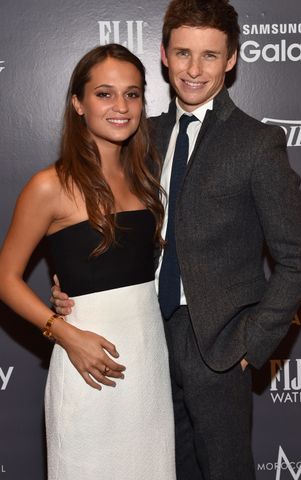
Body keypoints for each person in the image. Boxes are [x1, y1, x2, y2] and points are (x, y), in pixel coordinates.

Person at [51, 1, 301, 479]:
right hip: (143, 336)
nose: (194, 70)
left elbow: (298, 259)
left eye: (210, 56)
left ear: (231, 59)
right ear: (164, 55)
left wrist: (250, 343)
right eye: (183, 53)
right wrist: (75, 284)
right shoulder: (142, 136)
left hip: (216, 345)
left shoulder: (256, 142)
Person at [0, 44, 176, 480]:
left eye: (133, 94)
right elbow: (5, 277)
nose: (121, 106)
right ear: (78, 103)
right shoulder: (50, 185)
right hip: (85, 367)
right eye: (104, 94)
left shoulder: (147, 177)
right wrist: (64, 334)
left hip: (149, 364)